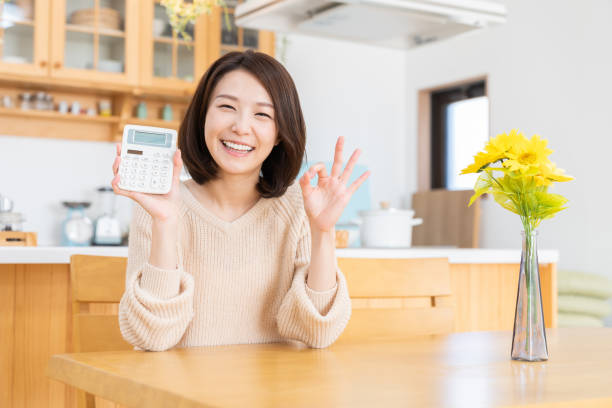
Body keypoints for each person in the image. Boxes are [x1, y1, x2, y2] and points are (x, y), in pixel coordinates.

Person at [111, 50, 370, 351]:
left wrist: (323, 232)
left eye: (262, 114)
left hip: (275, 395)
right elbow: (152, 338)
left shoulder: (298, 206)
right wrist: (166, 223)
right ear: (203, 117)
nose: (241, 127)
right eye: (226, 107)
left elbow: (317, 333)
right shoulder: (158, 207)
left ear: (278, 134)